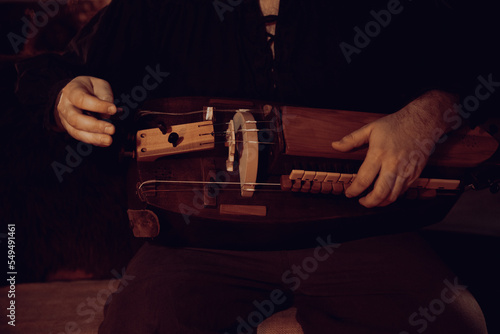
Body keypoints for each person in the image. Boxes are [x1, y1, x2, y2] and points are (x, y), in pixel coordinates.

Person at [15, 0, 492, 332]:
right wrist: (63, 96)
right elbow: (51, 71)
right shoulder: (157, 7)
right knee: (140, 322)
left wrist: (429, 113)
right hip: (199, 240)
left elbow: (477, 67)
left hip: (359, 227)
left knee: (453, 320)